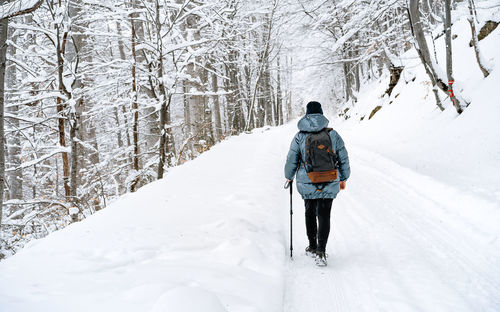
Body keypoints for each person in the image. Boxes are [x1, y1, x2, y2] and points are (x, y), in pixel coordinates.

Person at [284, 101, 350, 265]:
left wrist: (288, 176)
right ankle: (321, 251)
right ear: (321, 114)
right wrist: (343, 177)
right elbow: (343, 158)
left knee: (309, 212)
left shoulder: (300, 136)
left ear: (307, 115)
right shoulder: (332, 135)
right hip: (329, 179)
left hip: (307, 181)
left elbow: (292, 158)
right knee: (324, 214)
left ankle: (312, 246)